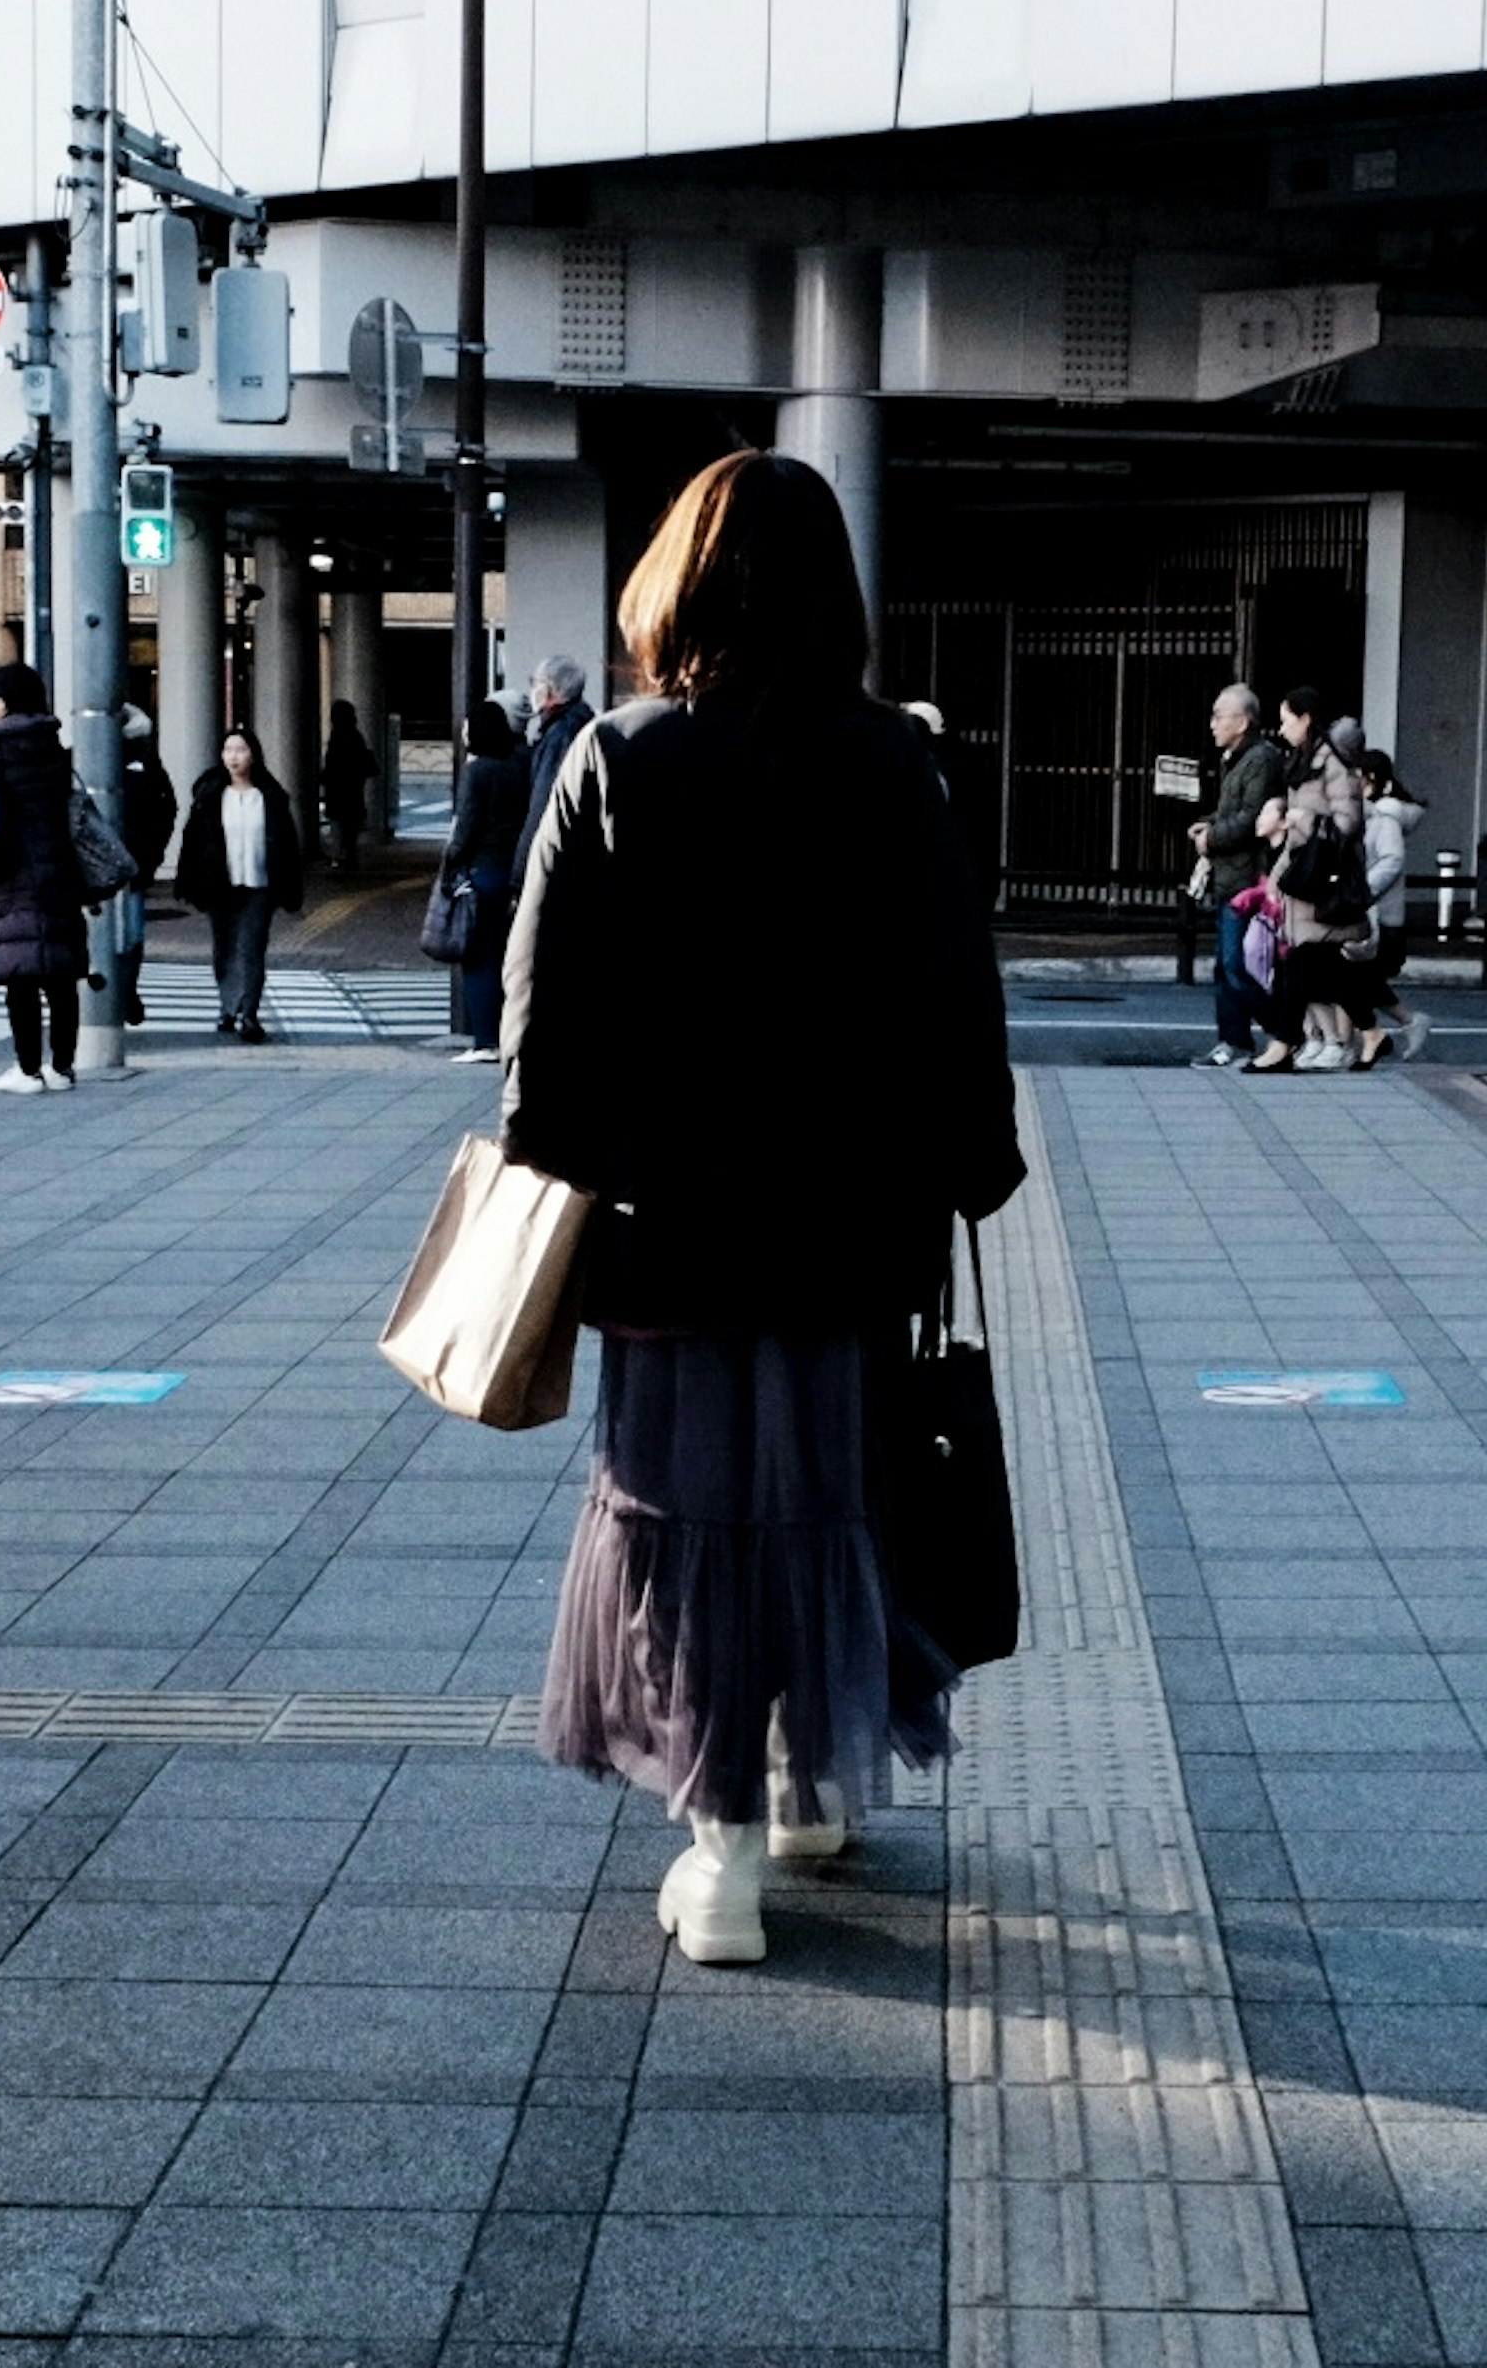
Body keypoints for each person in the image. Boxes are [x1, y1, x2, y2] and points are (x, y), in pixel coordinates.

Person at [512, 449, 1022, 1966]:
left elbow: (543, 1036)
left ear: (679, 585)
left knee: (692, 1519)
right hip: (853, 1232)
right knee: (825, 1505)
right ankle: (807, 1792)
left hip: (673, 1229)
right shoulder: (894, 762)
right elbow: (957, 1001)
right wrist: (968, 1168)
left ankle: (721, 1853)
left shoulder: (618, 756)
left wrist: (564, 1184)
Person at [0, 661, 87, 1094]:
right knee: (60, 976)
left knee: (20, 974)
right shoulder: (50, 739)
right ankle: (62, 1068)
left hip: (12, 868)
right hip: (57, 866)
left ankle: (27, 1070)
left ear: (4, 700)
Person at [1248, 693, 1367, 1074]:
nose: (1282, 729)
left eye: (1287, 720)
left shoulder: (1333, 764)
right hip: (1304, 878)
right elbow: (1296, 835)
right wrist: (1278, 878)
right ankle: (1373, 1030)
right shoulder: (1300, 763)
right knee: (1321, 969)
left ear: (1307, 719)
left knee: (1302, 965)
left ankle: (1284, 1044)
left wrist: (1301, 816)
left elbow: (1348, 824)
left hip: (1324, 881)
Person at [177, 722, 307, 1044]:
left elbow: (288, 845)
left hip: (260, 885)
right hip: (221, 884)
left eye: (241, 750)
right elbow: (192, 841)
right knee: (224, 948)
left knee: (252, 948)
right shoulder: (209, 796)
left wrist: (291, 888)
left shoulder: (271, 797)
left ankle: (249, 1013)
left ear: (253, 755)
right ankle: (228, 1006)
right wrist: (188, 881)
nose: (233, 757)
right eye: (228, 750)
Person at [1186, 683, 1289, 1069]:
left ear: (1242, 722)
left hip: (1247, 879)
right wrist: (1206, 825)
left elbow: (1251, 819)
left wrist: (1211, 838)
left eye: (1219, 715)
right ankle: (1234, 1040)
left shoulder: (1260, 759)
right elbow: (1233, 811)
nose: (1213, 723)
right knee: (1226, 965)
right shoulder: (1238, 758)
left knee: (1240, 964)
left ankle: (1283, 1033)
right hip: (1230, 876)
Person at [442, 698, 526, 1062]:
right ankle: (509, 1034)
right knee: (508, 957)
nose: (463, 732)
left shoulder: (477, 772)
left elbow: (465, 828)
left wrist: (451, 864)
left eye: (466, 726)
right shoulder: (520, 765)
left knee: (478, 959)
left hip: (481, 871)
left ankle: (485, 1040)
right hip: (512, 872)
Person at [1343, 749, 1432, 1072]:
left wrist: (1362, 889)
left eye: (1356, 775)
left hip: (1379, 915)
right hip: (1377, 913)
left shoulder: (1385, 815)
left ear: (1370, 779)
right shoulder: (1376, 813)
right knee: (1362, 981)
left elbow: (1391, 860)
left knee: (1359, 980)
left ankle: (1399, 1026)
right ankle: (1403, 1025)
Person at [111, 706, 180, 1027]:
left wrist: (152, 855)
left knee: (130, 935)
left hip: (132, 865)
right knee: (127, 934)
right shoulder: (144, 761)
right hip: (128, 864)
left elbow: (166, 808)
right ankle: (120, 993)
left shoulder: (144, 761)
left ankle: (123, 991)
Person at [514, 652, 595, 887]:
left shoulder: (560, 734)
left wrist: (520, 876)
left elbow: (543, 804)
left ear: (552, 693)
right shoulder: (581, 724)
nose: (532, 690)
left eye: (536, 682)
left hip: (556, 862)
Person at [322, 698, 379, 877]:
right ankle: (349, 860)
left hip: (338, 792)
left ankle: (340, 861)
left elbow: (332, 766)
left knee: (338, 828)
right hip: (353, 791)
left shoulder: (337, 736)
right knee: (350, 831)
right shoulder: (355, 735)